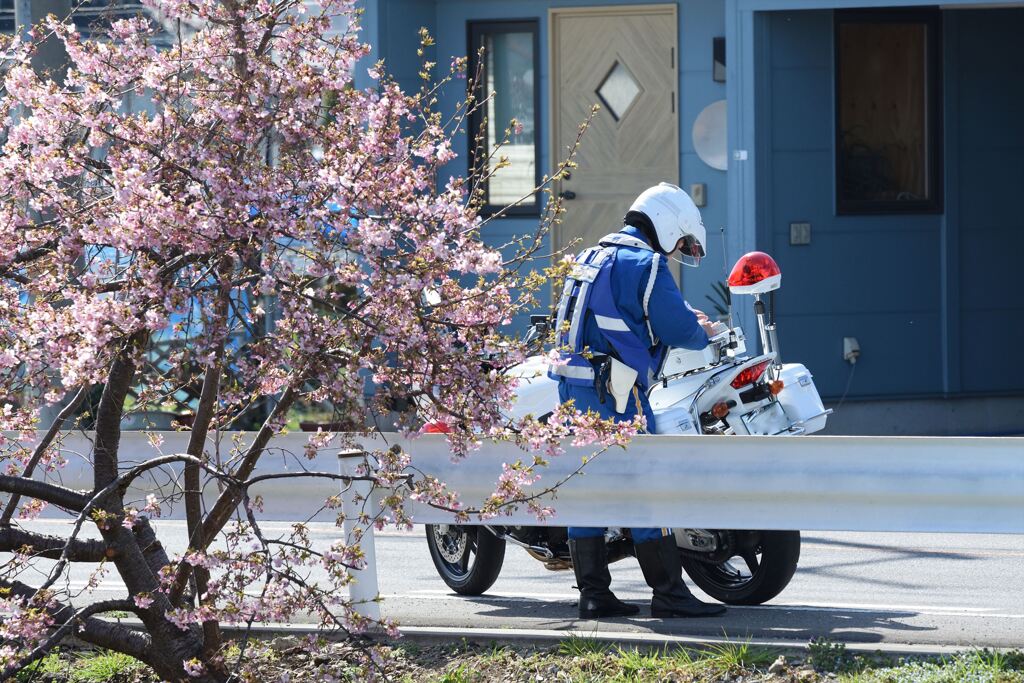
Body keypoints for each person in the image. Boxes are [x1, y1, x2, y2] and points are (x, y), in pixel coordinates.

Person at [548, 183, 727, 619]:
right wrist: (702, 328)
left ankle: (593, 594)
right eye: (681, 242)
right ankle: (668, 593)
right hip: (617, 393)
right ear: (667, 225)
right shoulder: (645, 264)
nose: (678, 251)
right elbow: (678, 328)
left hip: (573, 388)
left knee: (588, 488)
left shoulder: (589, 256)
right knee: (644, 485)